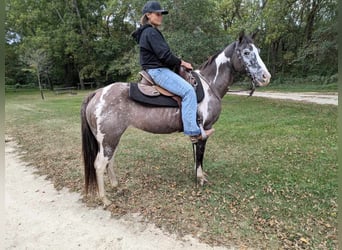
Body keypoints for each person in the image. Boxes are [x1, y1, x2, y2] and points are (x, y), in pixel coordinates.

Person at [131, 1, 214, 143]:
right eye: (158, 14)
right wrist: (182, 62)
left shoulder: (147, 32)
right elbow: (165, 55)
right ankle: (194, 132)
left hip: (155, 69)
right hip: (158, 71)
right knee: (188, 91)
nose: (160, 17)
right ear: (148, 15)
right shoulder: (151, 32)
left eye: (161, 14)